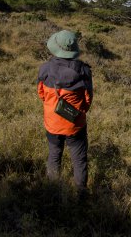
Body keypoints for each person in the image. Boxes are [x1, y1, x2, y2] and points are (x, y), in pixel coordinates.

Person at [37, 30, 93, 195]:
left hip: (52, 122)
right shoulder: (84, 71)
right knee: (79, 160)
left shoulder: (45, 69)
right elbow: (87, 101)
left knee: (54, 155)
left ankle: (53, 192)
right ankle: (81, 195)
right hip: (75, 124)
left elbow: (41, 94)